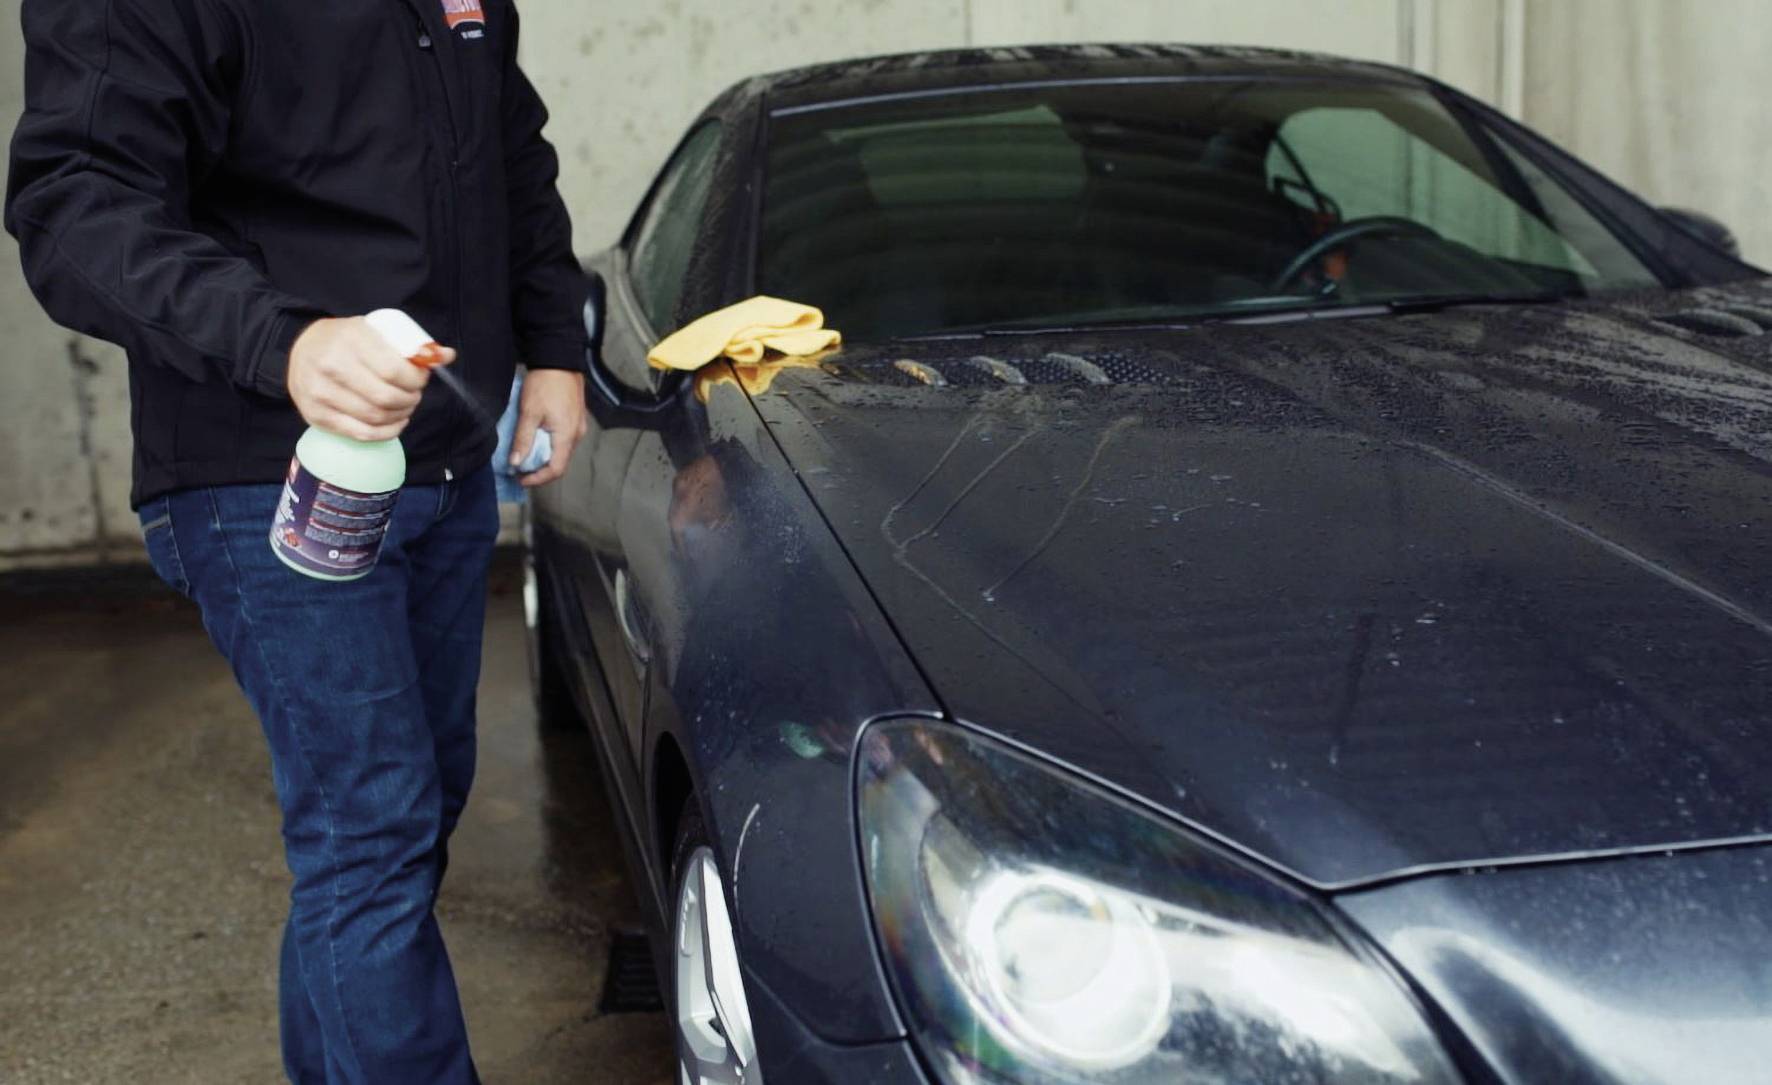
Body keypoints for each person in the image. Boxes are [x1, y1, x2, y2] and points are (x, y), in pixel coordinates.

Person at [5, 1, 589, 1081]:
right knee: (372, 829)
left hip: (442, 459)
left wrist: (554, 341)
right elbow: (74, 201)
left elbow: (508, 147)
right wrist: (282, 340)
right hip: (266, 469)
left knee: (399, 823)